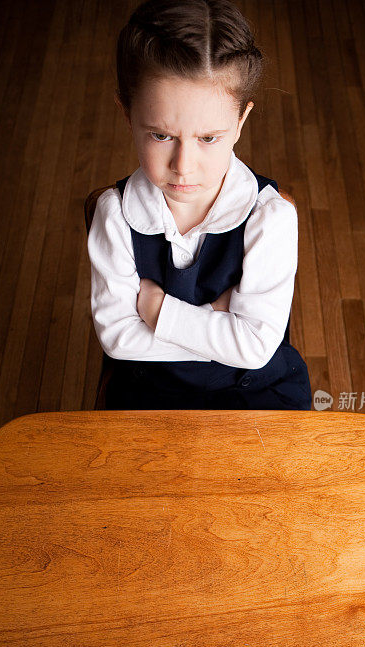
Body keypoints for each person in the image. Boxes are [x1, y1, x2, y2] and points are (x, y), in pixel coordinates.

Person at [88, 0, 311, 410]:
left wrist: (156, 311)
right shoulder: (115, 214)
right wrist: (218, 320)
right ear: (127, 115)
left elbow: (257, 348)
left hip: (257, 392)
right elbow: (119, 339)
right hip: (148, 395)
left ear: (241, 122)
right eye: (160, 136)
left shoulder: (270, 217)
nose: (183, 166)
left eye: (208, 138)